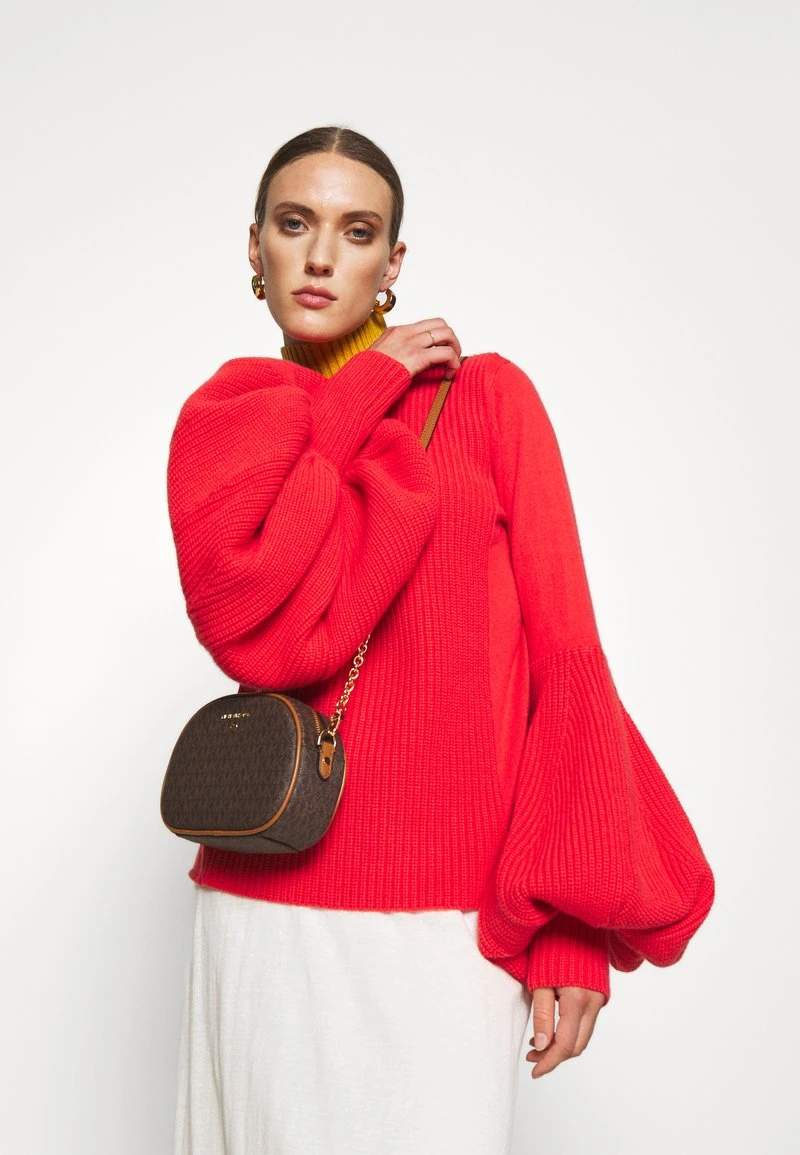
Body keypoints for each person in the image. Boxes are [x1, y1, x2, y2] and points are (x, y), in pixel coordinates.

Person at [166, 125, 715, 1154]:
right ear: (254, 247)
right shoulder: (232, 416)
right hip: (261, 908)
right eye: (294, 224)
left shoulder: (489, 401)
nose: (320, 256)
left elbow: (565, 659)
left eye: (355, 231)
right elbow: (252, 626)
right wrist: (358, 392)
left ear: (392, 262)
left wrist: (569, 927)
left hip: (447, 928)